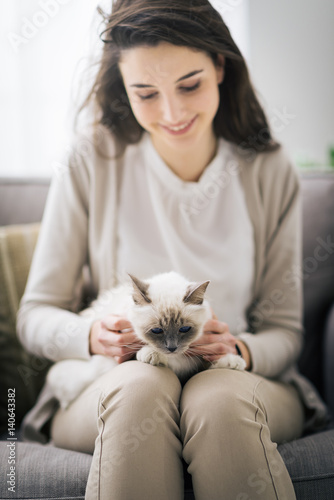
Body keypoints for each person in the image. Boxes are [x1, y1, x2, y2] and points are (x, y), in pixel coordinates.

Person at [17, 1, 328, 499]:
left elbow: (284, 332)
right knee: (144, 386)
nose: (173, 113)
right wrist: (93, 335)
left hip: (238, 381)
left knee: (218, 398)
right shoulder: (92, 161)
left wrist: (239, 350)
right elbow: (33, 316)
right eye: (145, 93)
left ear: (220, 66)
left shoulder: (267, 170)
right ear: (123, 87)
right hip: (112, 385)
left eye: (190, 84)